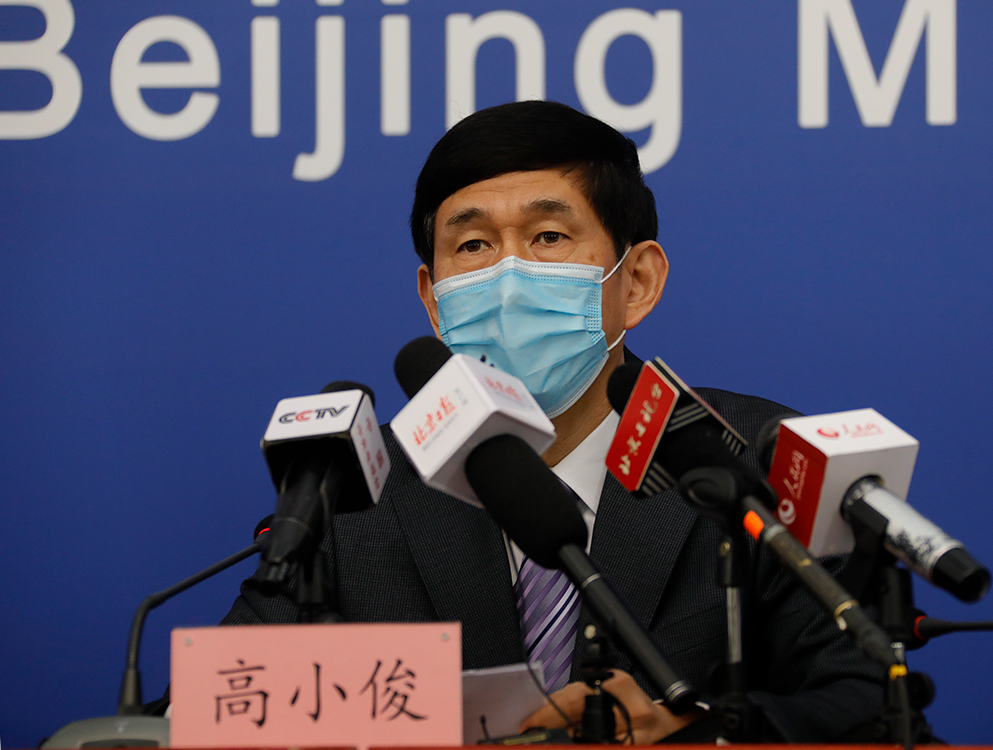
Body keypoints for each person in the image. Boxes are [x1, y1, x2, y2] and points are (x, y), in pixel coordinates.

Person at [223, 100, 885, 742]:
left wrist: (694, 731)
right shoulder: (355, 491)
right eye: (473, 245)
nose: (508, 280)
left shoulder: (751, 462)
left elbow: (869, 701)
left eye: (548, 237)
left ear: (637, 282)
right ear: (433, 300)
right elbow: (214, 708)